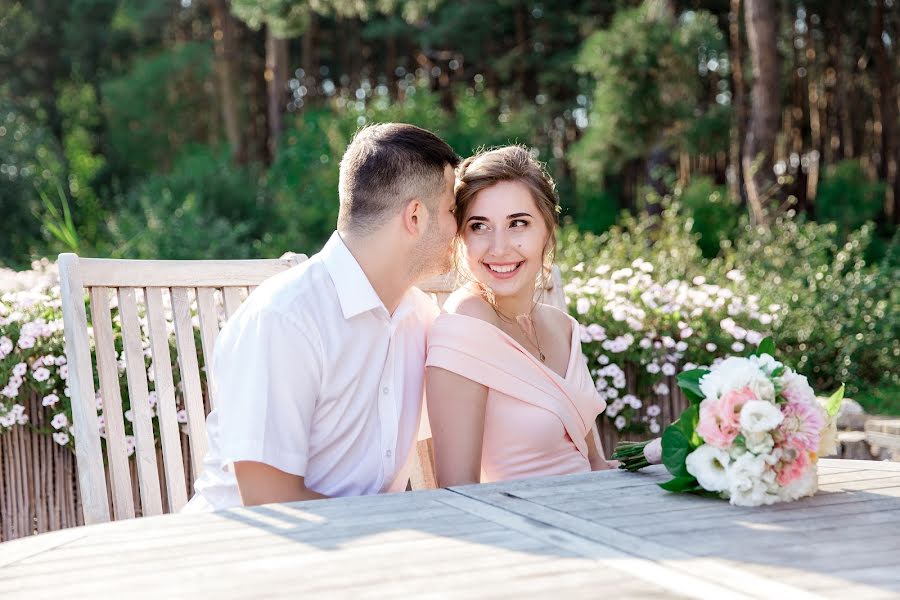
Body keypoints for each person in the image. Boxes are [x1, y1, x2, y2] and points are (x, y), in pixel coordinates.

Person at [184, 123, 460, 511]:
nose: (461, 228)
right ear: (415, 216)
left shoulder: (421, 317)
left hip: (362, 547)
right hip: (244, 550)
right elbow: (268, 501)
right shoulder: (286, 319)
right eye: (452, 210)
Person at [425, 145, 615, 486]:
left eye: (518, 223)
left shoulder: (561, 326)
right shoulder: (465, 327)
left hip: (598, 509)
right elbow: (458, 491)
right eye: (479, 226)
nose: (499, 248)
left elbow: (594, 464)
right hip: (527, 527)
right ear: (460, 239)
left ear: (547, 230)